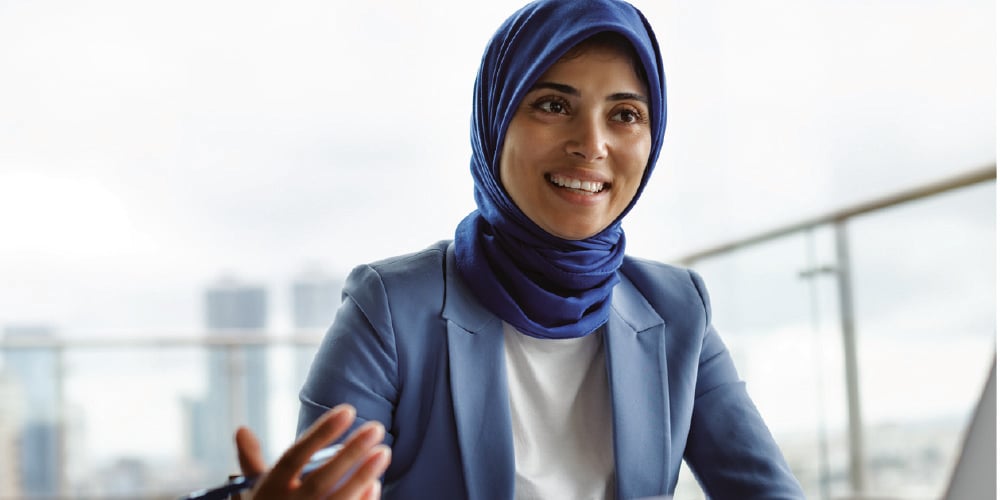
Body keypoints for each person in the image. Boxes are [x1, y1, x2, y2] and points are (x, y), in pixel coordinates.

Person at [235, 0, 806, 498]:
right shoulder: (388, 306)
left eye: (625, 115)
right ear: (495, 123)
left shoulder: (679, 308)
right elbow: (321, 484)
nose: (591, 144)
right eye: (553, 105)